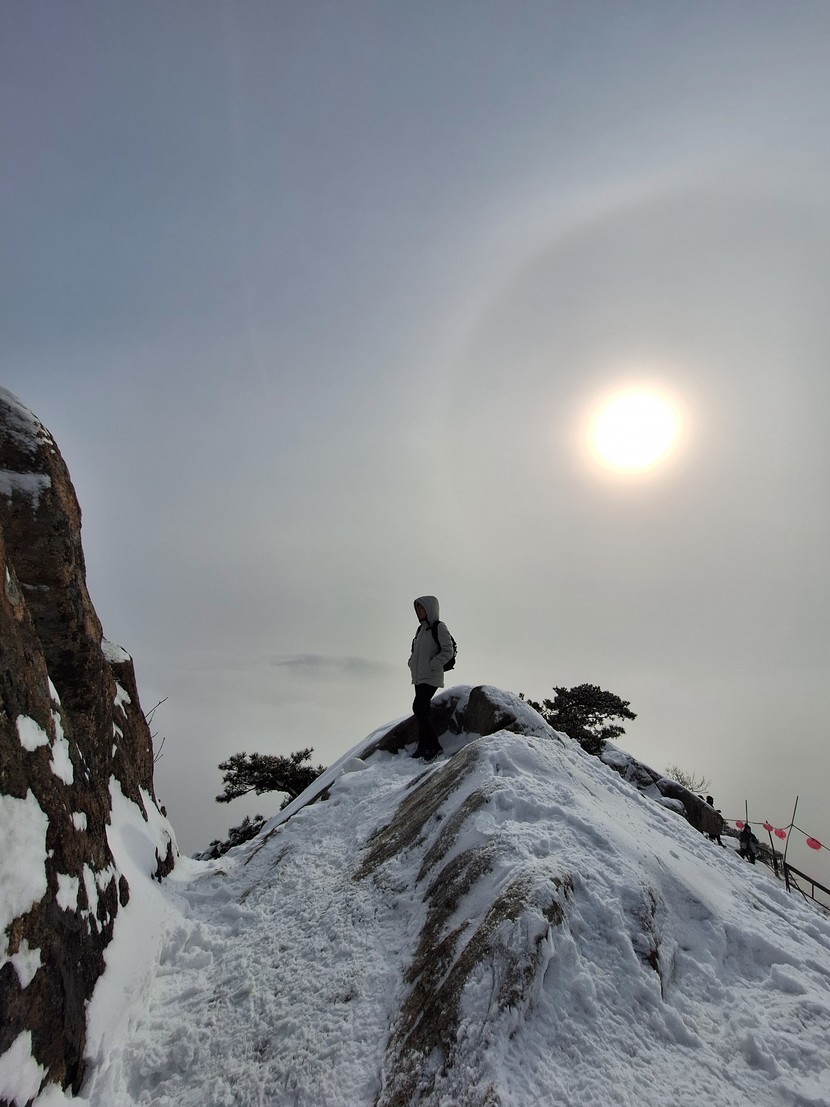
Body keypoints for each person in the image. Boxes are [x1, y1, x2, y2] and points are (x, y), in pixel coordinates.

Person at [408, 595, 454, 761]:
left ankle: (435, 746)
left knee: (418, 707)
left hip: (431, 676)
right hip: (419, 676)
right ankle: (423, 747)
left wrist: (434, 663)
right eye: (417, 608)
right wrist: (411, 662)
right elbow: (416, 651)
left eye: (422, 608)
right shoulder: (420, 630)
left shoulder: (439, 627)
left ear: (430, 609)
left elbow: (448, 651)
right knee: (423, 710)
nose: (419, 611)